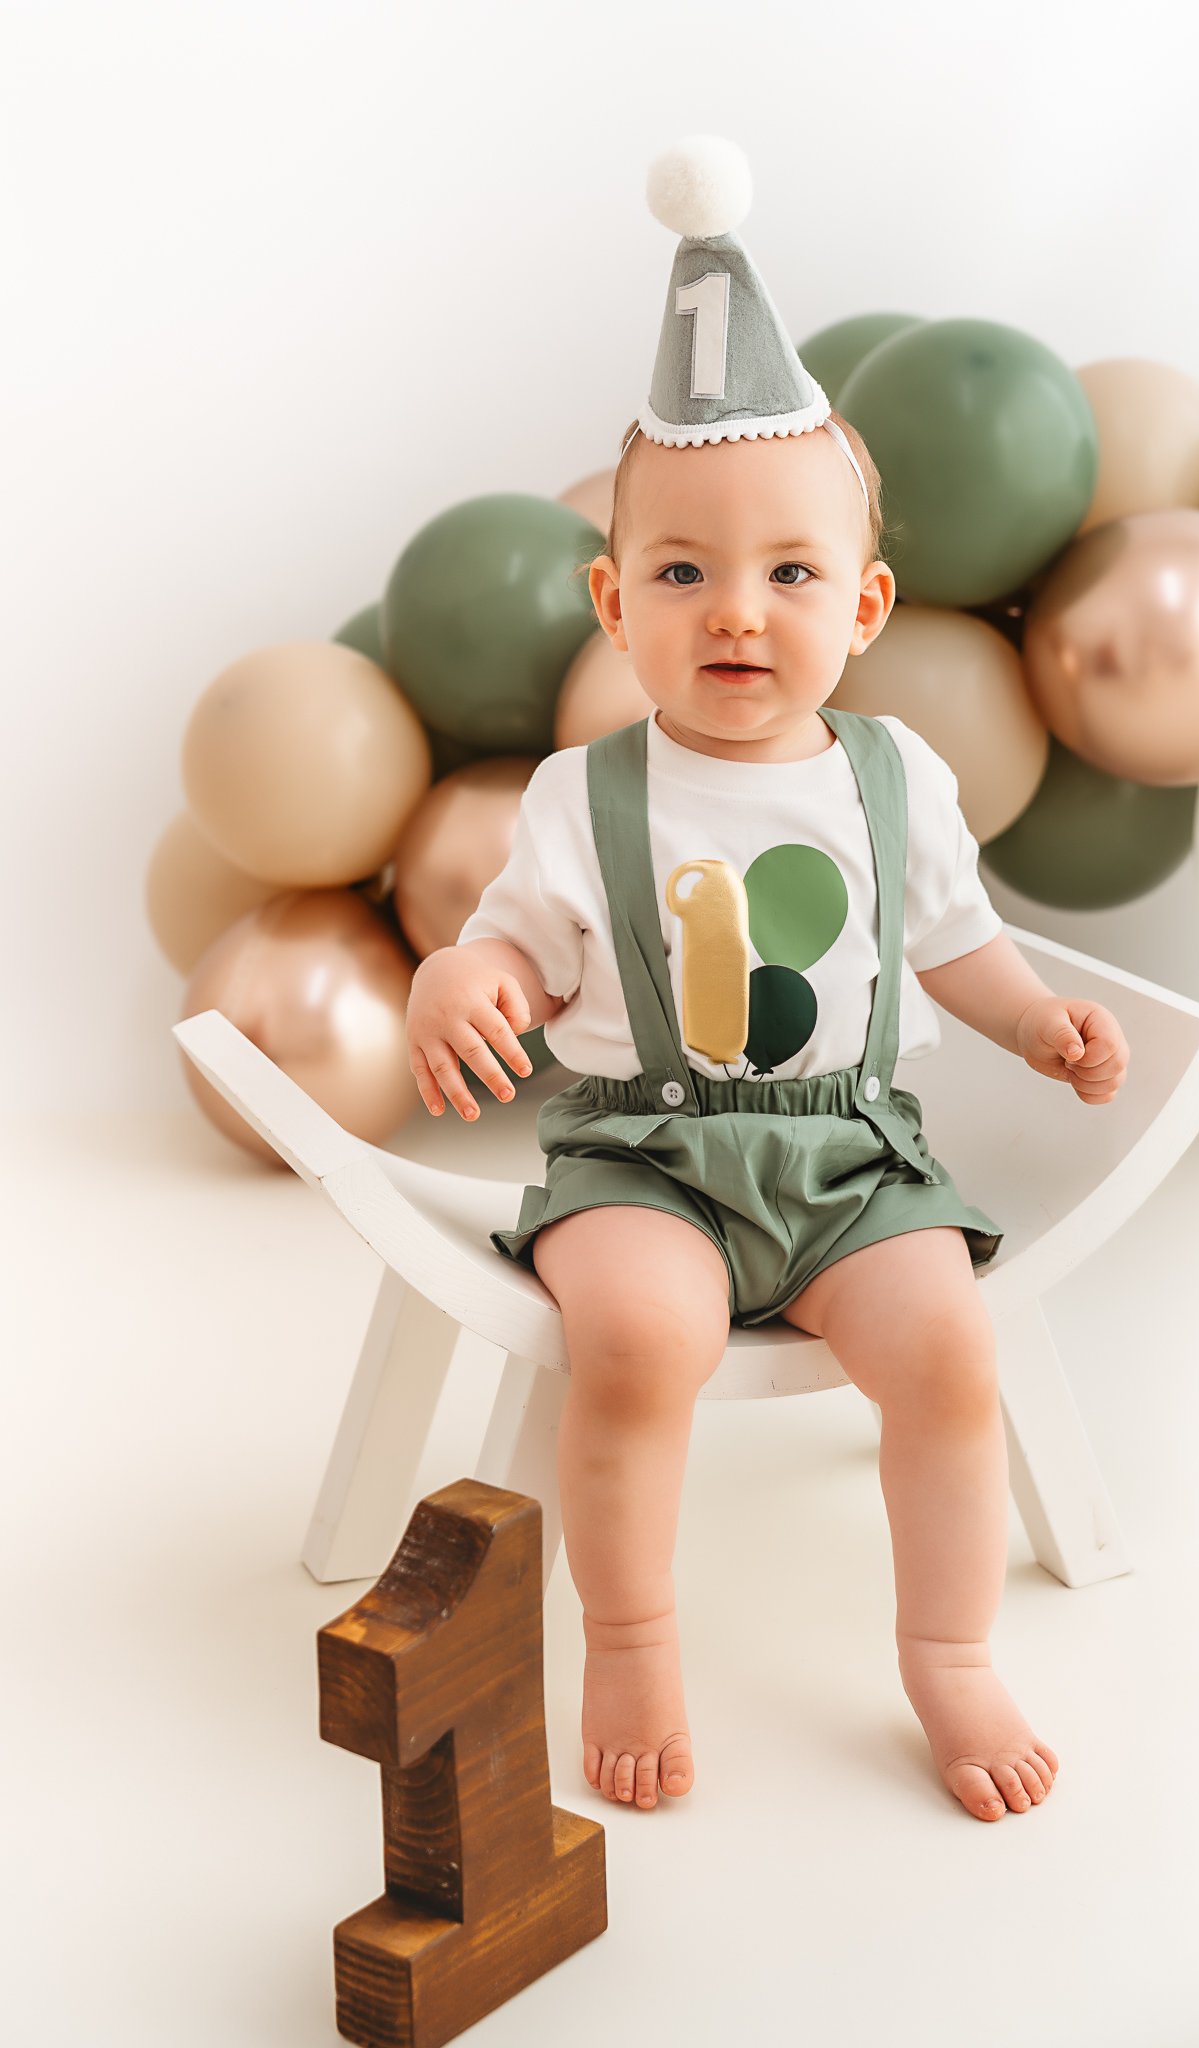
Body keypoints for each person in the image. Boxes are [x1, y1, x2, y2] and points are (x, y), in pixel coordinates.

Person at [406, 138, 1130, 1823]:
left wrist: (1034, 1023)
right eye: (682, 573)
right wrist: (466, 972)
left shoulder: (893, 777)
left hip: (849, 1157)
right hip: (641, 1158)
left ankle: (947, 1652)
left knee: (948, 1351)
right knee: (640, 1342)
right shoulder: (584, 796)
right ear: (612, 603)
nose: (737, 611)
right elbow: (519, 938)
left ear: (864, 602)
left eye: (790, 573)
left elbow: (955, 947)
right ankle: (638, 1633)